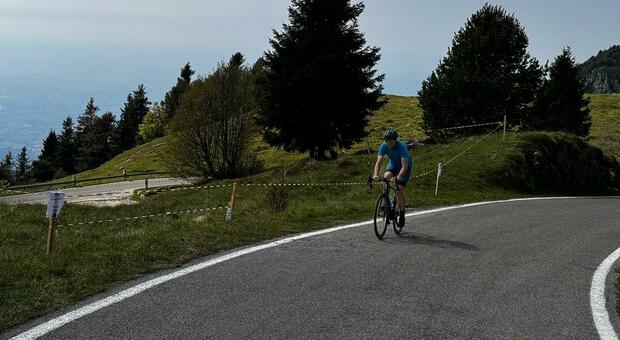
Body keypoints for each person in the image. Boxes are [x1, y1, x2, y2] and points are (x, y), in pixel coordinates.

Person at [372, 129, 413, 227]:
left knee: (399, 190)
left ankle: (402, 214)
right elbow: (379, 162)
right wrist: (376, 174)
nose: (389, 143)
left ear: (395, 140)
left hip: (405, 167)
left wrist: (398, 177)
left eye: (391, 141)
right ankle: (386, 202)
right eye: (387, 141)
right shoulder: (384, 146)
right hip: (394, 164)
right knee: (386, 177)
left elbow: (404, 166)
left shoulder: (402, 147)